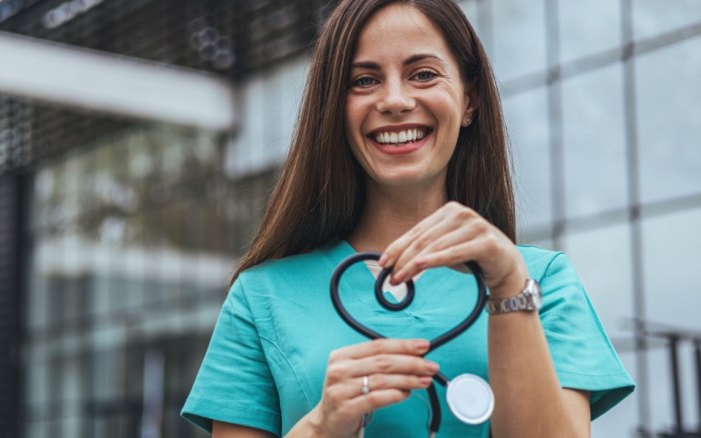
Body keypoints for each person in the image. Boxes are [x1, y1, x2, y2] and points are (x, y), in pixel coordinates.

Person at [181, 0, 634, 436]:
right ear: (334, 109)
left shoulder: (541, 284)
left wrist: (509, 289)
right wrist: (322, 427)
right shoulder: (261, 298)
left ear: (469, 99)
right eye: (363, 81)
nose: (395, 100)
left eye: (423, 74)